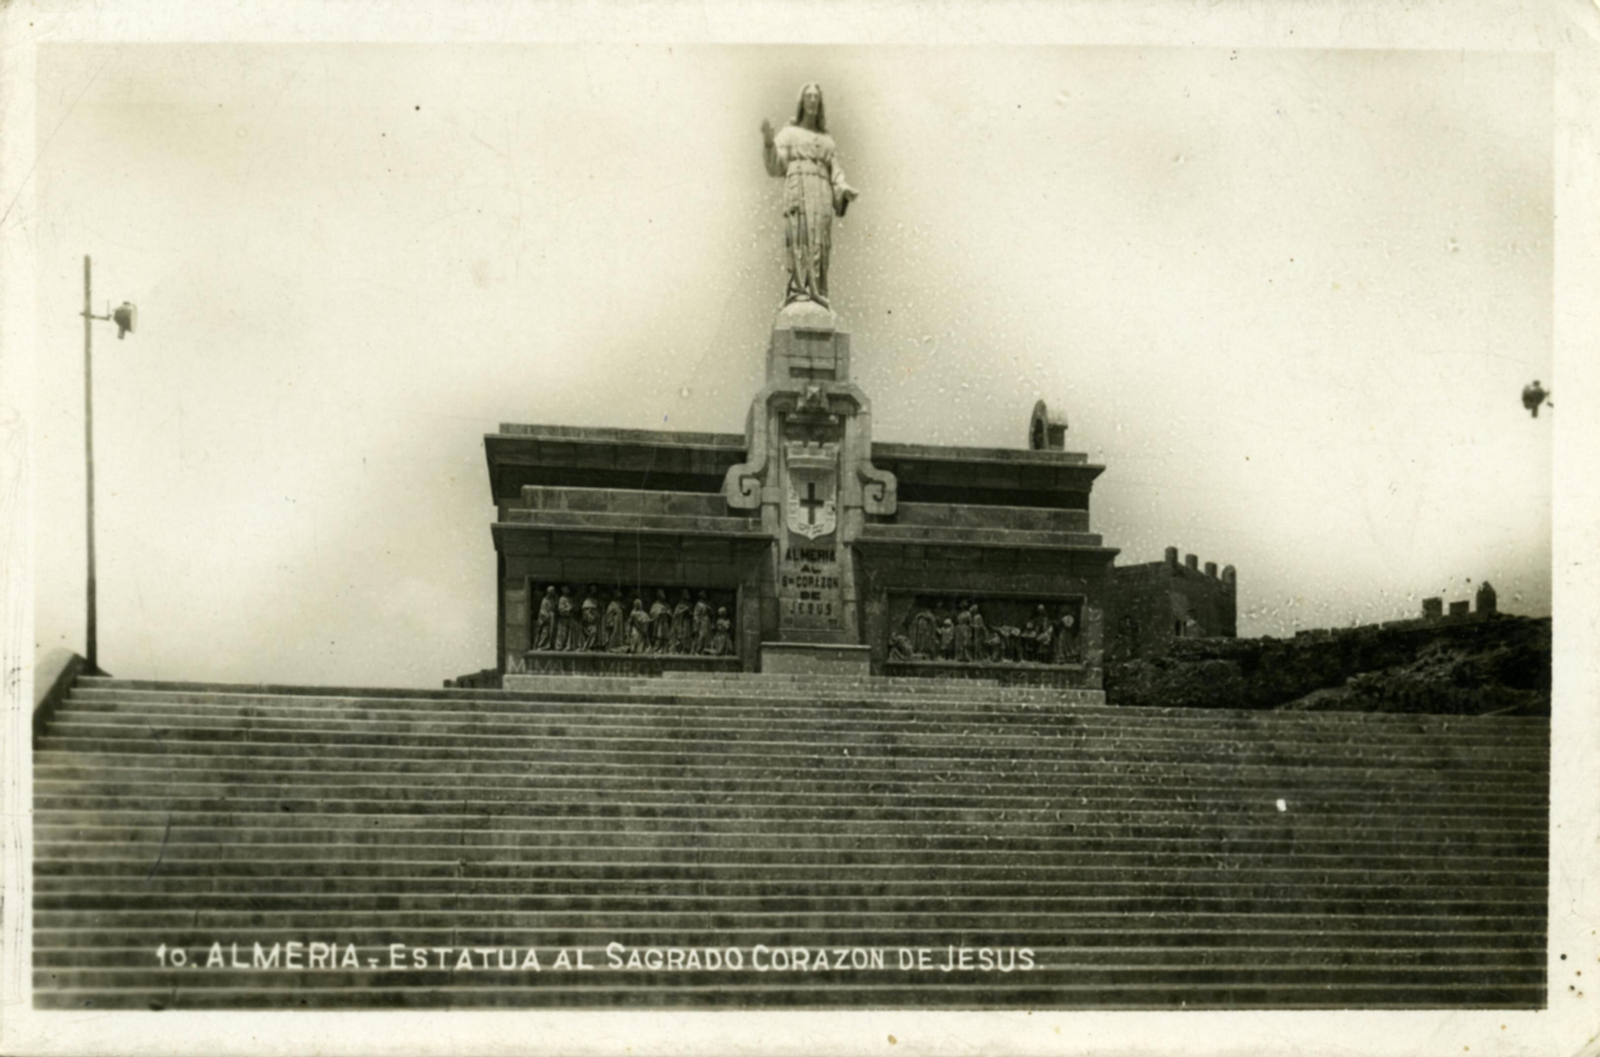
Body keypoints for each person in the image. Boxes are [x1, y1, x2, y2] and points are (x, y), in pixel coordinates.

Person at [760, 83, 859, 307]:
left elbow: (836, 174)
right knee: (799, 237)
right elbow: (776, 165)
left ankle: (817, 291)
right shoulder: (789, 134)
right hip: (798, 188)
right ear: (802, 102)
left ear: (820, 103)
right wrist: (768, 141)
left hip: (822, 193)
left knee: (819, 242)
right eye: (808, 96)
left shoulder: (827, 141)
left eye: (816, 97)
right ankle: (798, 291)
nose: (812, 100)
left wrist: (844, 190)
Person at [532, 585, 557, 651]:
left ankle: (548, 646)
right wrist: (547, 616)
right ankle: (541, 645)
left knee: (551, 632)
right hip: (546, 619)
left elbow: (555, 607)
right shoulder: (544, 600)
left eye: (553, 591)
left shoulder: (553, 600)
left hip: (552, 618)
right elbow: (542, 610)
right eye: (552, 591)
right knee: (545, 632)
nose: (553, 592)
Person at [649, 589, 672, 654]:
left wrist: (667, 612)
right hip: (659, 623)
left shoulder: (666, 604)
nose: (663, 595)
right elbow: (652, 613)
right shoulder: (655, 604)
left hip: (665, 623)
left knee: (666, 637)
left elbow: (671, 613)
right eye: (662, 594)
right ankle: (656, 650)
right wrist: (659, 613)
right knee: (659, 636)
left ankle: (665, 650)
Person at [579, 587, 601, 651]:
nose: (594, 593)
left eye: (595, 591)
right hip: (587, 622)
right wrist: (588, 616)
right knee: (593, 631)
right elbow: (585, 612)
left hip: (594, 621)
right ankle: (587, 646)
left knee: (595, 631)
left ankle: (591, 646)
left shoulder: (596, 601)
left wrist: (596, 615)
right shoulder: (587, 601)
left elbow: (597, 612)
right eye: (592, 591)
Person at [692, 590, 713, 655]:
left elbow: (712, 613)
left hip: (707, 621)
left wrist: (710, 610)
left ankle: (707, 649)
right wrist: (697, 621)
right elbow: (695, 614)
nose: (705, 595)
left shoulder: (707, 603)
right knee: (701, 635)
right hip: (702, 621)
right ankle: (698, 650)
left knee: (708, 636)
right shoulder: (699, 604)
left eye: (705, 594)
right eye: (704, 594)